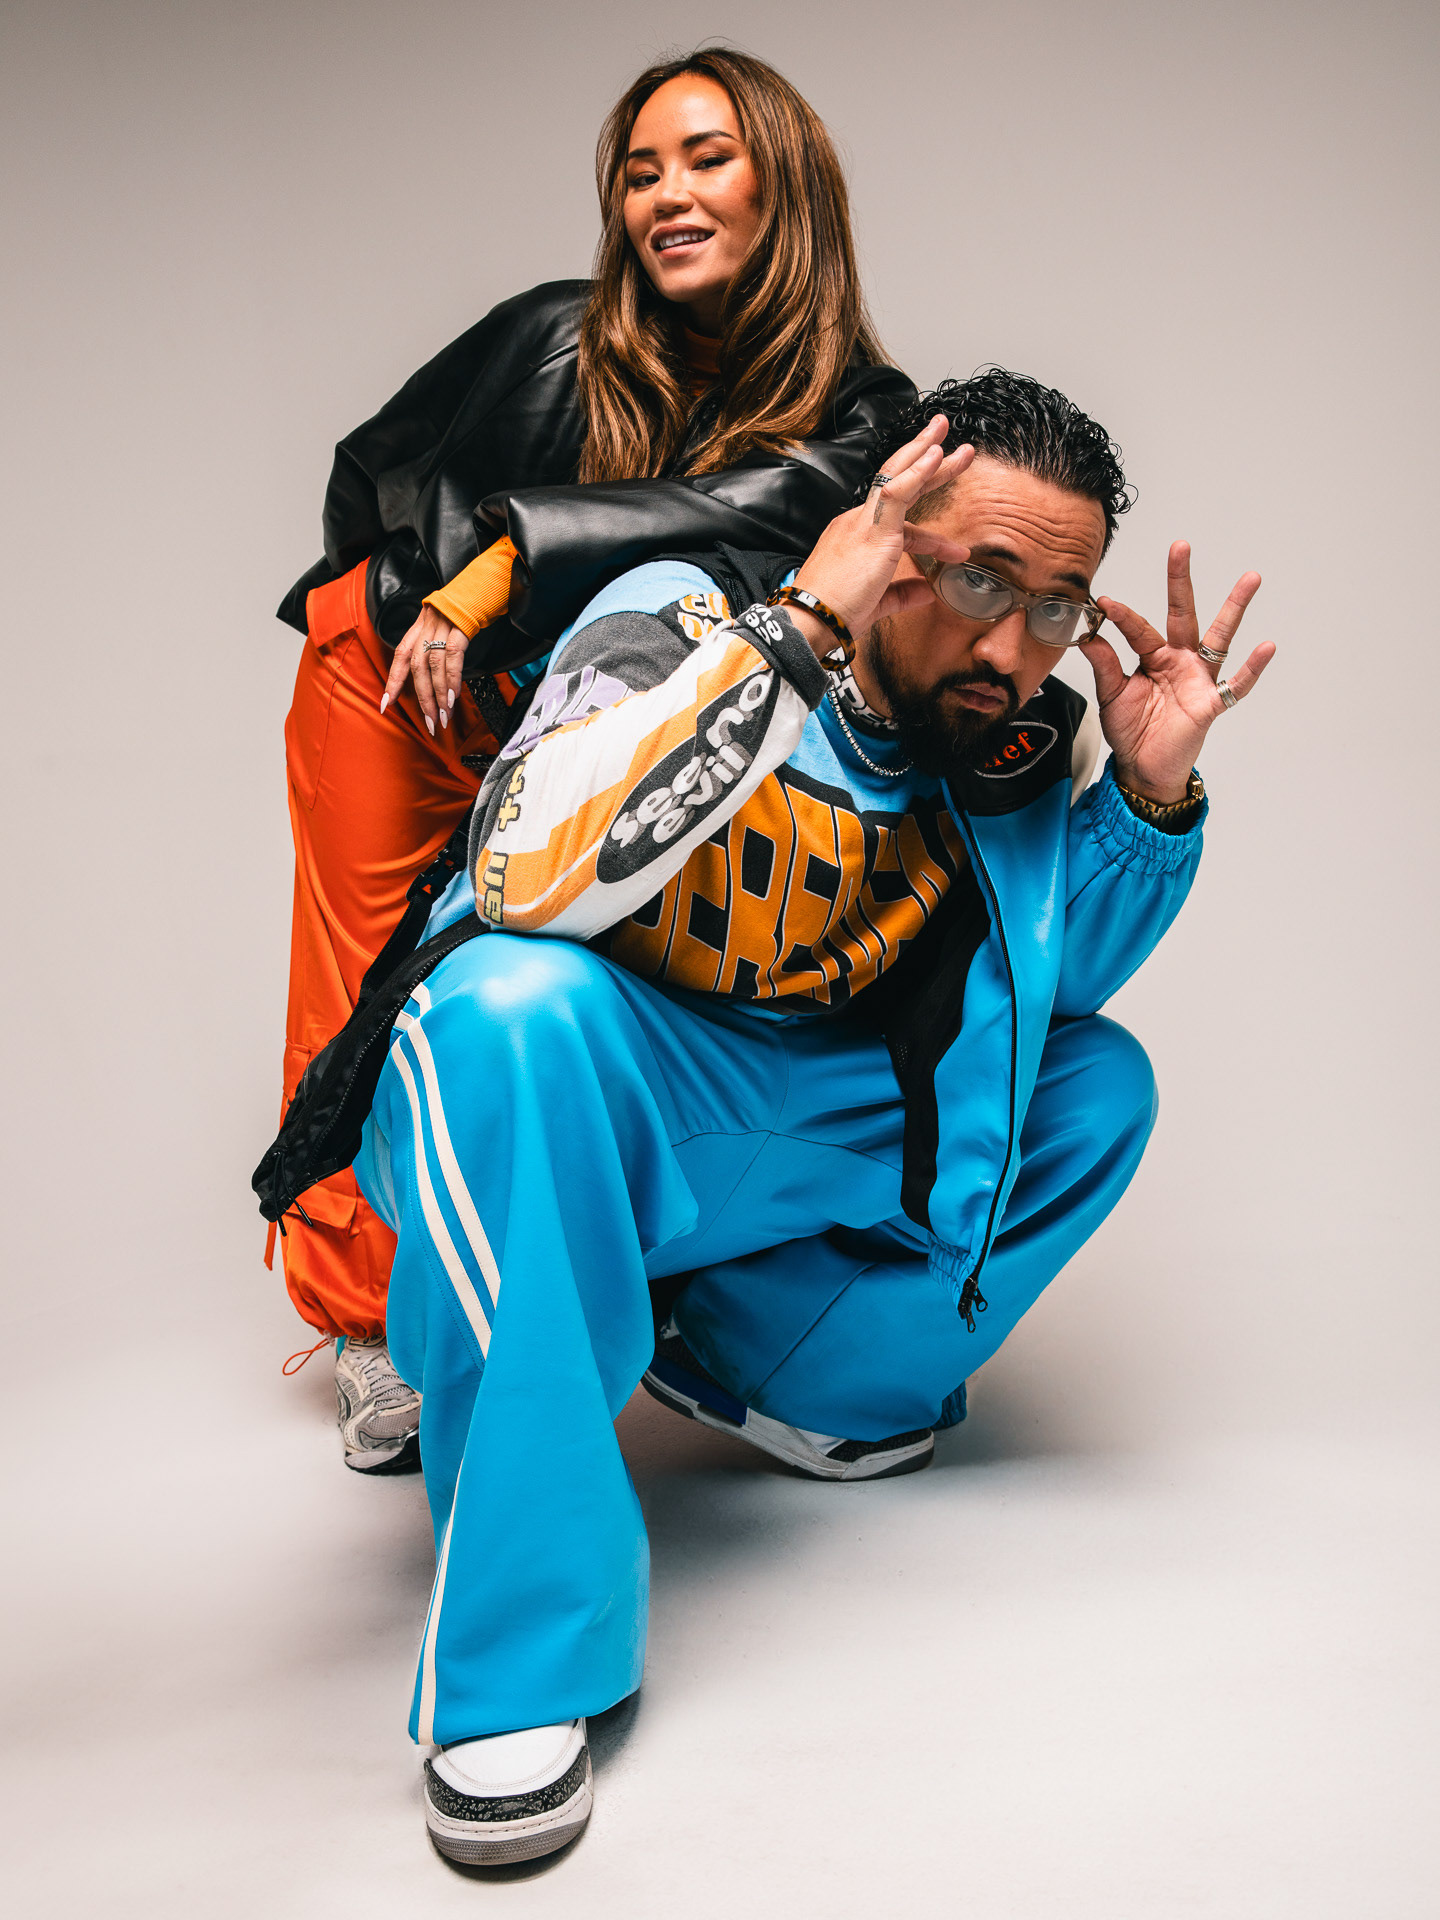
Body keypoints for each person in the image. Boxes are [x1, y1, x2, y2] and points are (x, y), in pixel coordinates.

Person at [349, 369, 1273, 1862]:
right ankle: (523, 1661)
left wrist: (1148, 798)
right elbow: (519, 875)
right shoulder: (682, 617)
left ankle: (773, 1372)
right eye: (981, 580)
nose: (1012, 646)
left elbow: (1045, 996)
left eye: (1055, 606)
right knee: (507, 1007)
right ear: (886, 536)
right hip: (590, 1092)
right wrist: (794, 637)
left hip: (798, 1119)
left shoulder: (1006, 739)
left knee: (1098, 1086)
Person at [271, 47, 915, 1469]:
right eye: (640, 173)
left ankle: (615, 1287)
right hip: (405, 685)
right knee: (370, 973)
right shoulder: (552, 336)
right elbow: (370, 469)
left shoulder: (866, 415)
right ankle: (367, 1323)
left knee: (591, 975)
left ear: (788, 185)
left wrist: (503, 563)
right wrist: (411, 604)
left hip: (595, 721)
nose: (666, 196)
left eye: (707, 159)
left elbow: (763, 512)